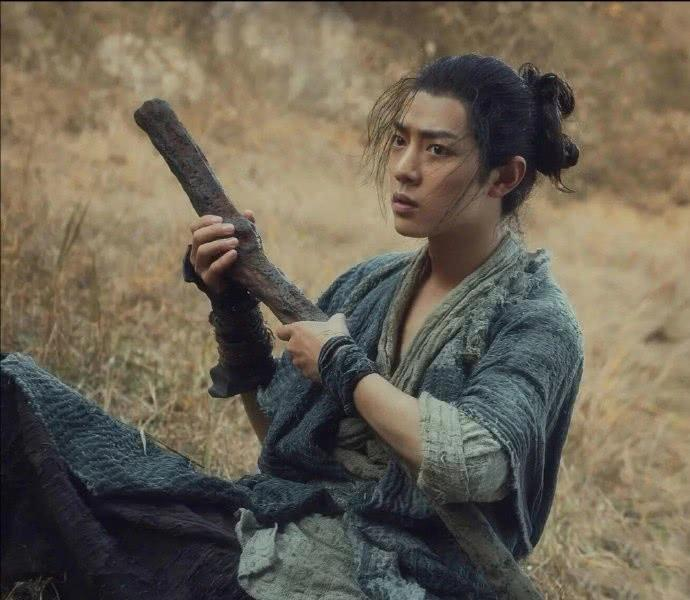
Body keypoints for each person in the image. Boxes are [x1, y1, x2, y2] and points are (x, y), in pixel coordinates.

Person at [1, 54, 584, 600]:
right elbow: (282, 438)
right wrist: (233, 307)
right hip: (285, 533)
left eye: (437, 151)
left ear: (503, 177)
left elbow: (474, 463)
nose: (404, 170)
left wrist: (342, 366)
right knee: (21, 396)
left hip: (402, 578)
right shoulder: (370, 285)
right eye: (400, 140)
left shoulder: (535, 321)